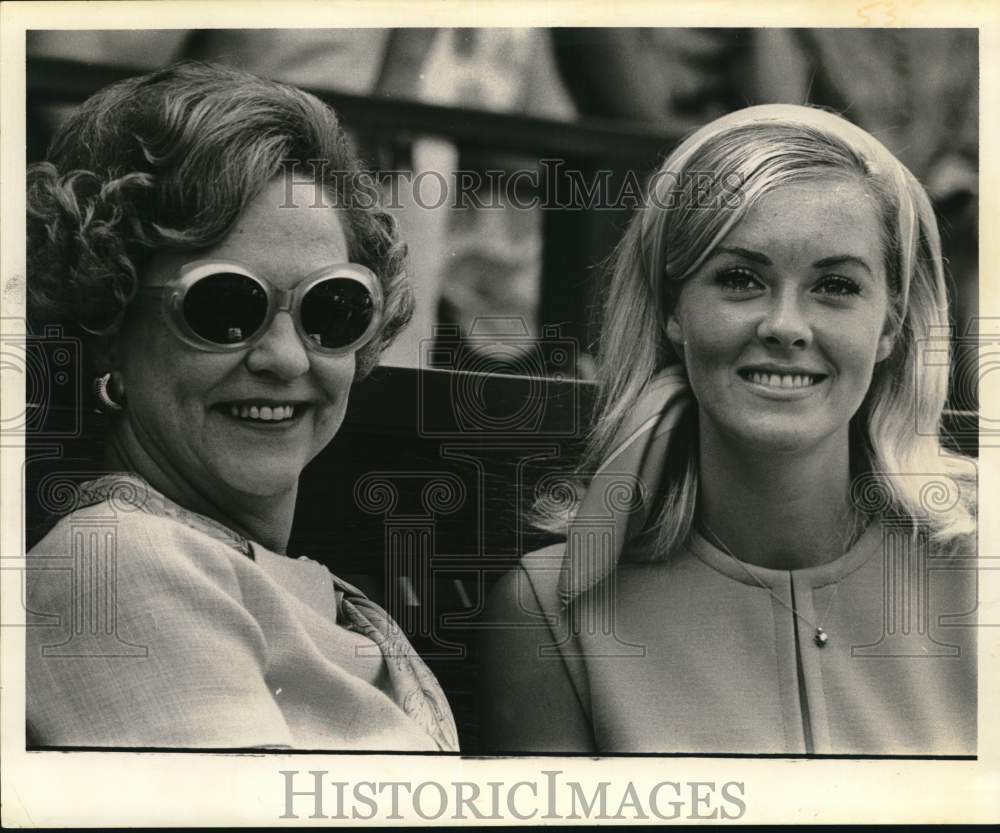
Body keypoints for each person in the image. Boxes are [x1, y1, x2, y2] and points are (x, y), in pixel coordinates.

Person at [480, 104, 977, 755]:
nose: (785, 325)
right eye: (740, 279)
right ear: (672, 308)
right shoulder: (551, 610)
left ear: (891, 325)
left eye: (835, 285)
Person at [25, 62, 458, 751]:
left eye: (332, 308)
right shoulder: (113, 564)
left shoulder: (300, 585)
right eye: (225, 306)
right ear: (107, 325)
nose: (286, 358)